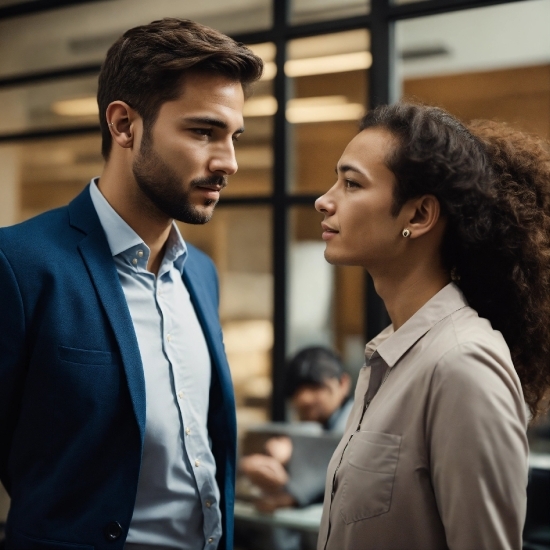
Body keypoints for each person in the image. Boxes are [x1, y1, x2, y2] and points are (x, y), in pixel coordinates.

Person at [0, 18, 262, 550]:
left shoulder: (201, 275)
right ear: (124, 125)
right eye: (202, 131)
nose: (228, 162)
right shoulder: (18, 264)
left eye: (233, 137)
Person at [314, 102, 550, 550]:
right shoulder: (387, 357)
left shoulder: (462, 365)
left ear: (419, 216)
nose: (325, 200)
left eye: (351, 183)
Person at [239, 346, 353, 512]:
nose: (304, 398)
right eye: (296, 390)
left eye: (316, 387)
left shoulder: (360, 423)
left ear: (343, 383)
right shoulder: (314, 427)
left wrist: (294, 454)